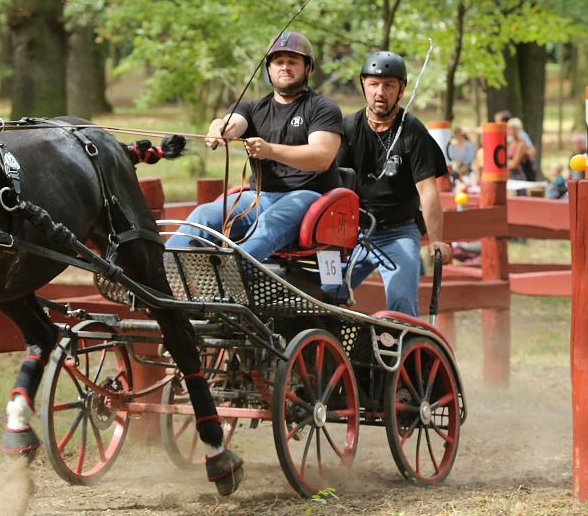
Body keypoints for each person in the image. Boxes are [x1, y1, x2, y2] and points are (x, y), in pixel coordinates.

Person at [166, 32, 343, 263]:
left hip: (308, 196)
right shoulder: (251, 109)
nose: (285, 67)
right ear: (268, 69)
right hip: (259, 197)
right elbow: (232, 124)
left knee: (268, 227)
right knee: (202, 215)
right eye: (278, 62)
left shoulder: (323, 108)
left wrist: (270, 150)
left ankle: (229, 277)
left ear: (308, 68)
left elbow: (322, 157)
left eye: (293, 62)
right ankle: (157, 275)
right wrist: (218, 128)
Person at [326, 51, 452, 317]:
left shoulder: (413, 132)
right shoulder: (347, 128)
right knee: (322, 292)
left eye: (389, 85)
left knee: (401, 300)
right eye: (373, 84)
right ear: (363, 86)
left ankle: (403, 350)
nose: (379, 92)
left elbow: (428, 191)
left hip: (398, 232)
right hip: (350, 233)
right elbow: (330, 186)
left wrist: (437, 240)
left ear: (401, 89)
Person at [505, 117, 529, 183]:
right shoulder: (509, 143)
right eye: (510, 129)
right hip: (507, 175)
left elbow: (514, 164)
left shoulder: (521, 144)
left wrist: (504, 164)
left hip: (517, 176)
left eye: (514, 129)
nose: (511, 131)